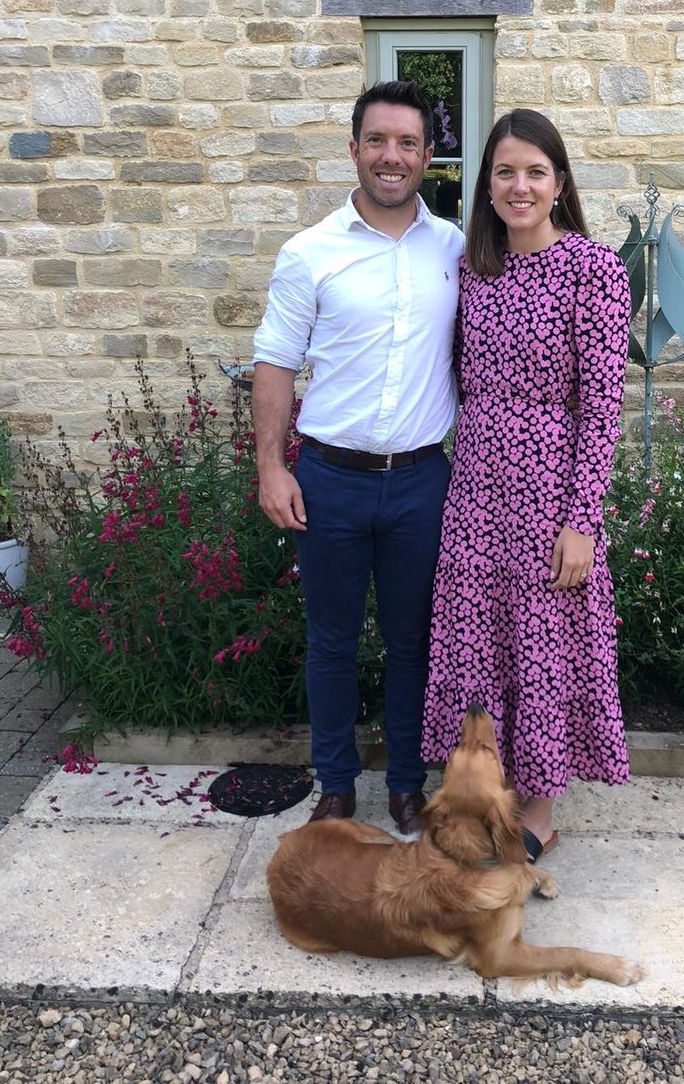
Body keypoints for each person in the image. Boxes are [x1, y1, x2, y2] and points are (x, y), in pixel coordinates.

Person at [252, 80, 464, 836]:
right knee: (333, 642)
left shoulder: (457, 249)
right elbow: (275, 362)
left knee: (413, 643)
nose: (391, 156)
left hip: (421, 482)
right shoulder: (309, 253)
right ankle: (336, 785)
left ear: (428, 156)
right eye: (377, 140)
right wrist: (271, 467)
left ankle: (407, 784)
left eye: (407, 142)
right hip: (330, 481)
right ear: (353, 149)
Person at [420, 109, 632, 861]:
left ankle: (539, 813)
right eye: (505, 171)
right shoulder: (473, 270)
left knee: (544, 647)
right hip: (475, 486)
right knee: (480, 644)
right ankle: (482, 793)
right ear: (486, 186)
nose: (520, 185)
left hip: (550, 491)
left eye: (535, 172)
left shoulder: (595, 269)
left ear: (560, 183)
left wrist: (582, 520)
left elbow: (603, 406)